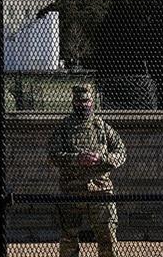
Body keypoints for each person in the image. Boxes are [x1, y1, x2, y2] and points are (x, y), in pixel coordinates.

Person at [48, 84, 126, 257]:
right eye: (78, 101)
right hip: (72, 191)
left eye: (86, 101)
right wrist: (75, 159)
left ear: (92, 102)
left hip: (101, 190)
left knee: (108, 237)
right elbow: (53, 154)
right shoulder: (63, 128)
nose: (82, 105)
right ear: (73, 102)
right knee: (69, 238)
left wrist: (102, 159)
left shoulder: (102, 127)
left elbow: (121, 152)